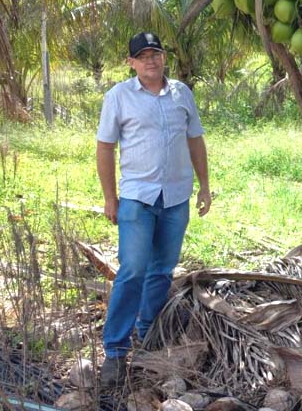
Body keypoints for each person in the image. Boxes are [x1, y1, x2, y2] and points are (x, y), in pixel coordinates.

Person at [96, 32, 212, 386]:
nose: (150, 60)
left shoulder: (182, 94)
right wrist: (110, 197)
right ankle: (115, 351)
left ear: (164, 58)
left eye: (156, 54)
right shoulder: (119, 96)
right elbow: (105, 147)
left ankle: (147, 333)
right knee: (132, 269)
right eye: (142, 56)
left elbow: (195, 140)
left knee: (162, 268)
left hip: (176, 197)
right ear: (131, 62)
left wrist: (205, 185)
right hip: (137, 198)